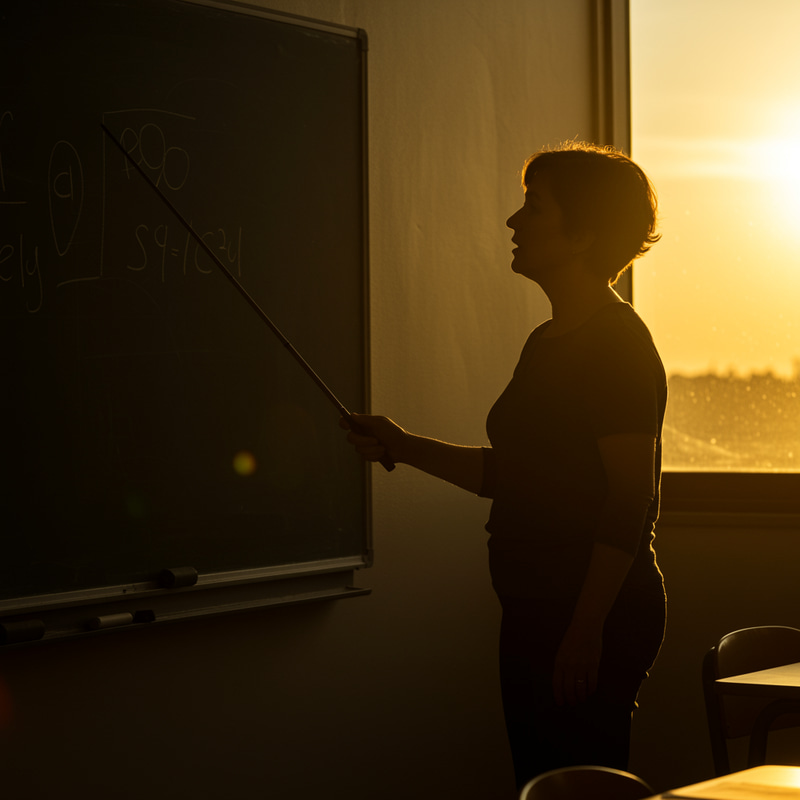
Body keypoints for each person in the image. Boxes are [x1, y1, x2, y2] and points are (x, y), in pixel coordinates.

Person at [342, 140, 667, 789]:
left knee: (574, 785)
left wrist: (584, 629)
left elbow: (629, 500)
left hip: (586, 613)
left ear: (583, 234)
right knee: (541, 781)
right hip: (535, 605)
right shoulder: (546, 342)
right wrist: (403, 445)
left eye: (534, 207)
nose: (514, 223)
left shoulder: (618, 345)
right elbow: (517, 476)